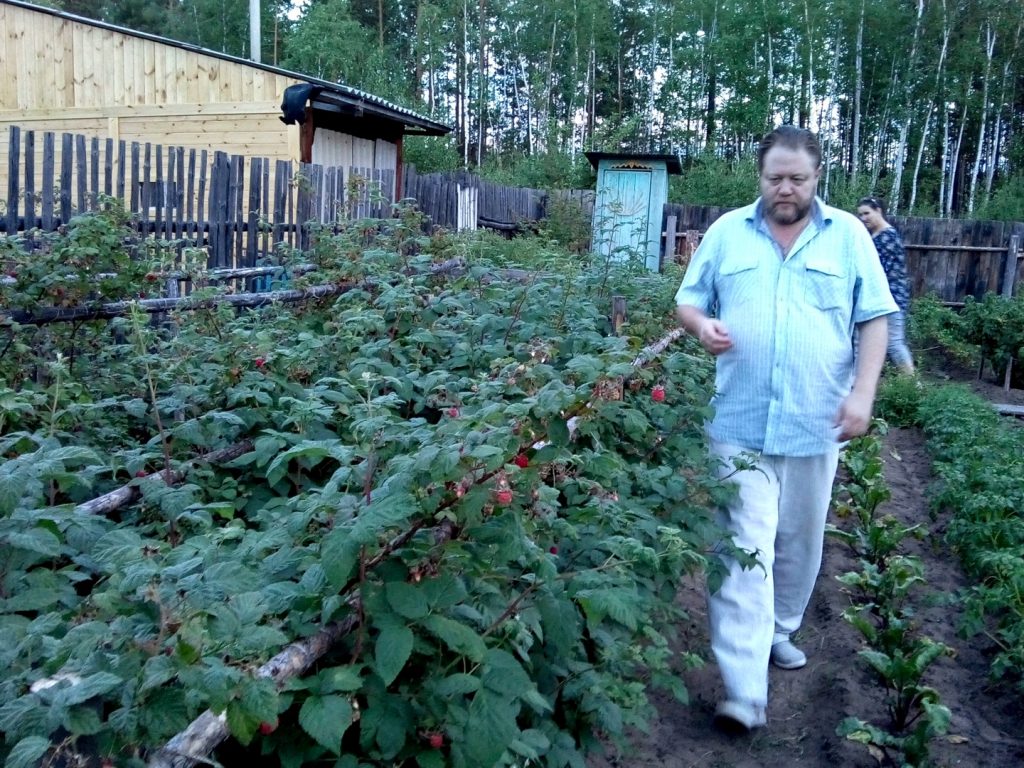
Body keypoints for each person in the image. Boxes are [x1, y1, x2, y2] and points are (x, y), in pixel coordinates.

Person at [675, 125, 897, 733]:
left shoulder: (848, 237)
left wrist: (864, 394)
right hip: (737, 426)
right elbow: (688, 300)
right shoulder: (727, 233)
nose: (785, 189)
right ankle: (746, 694)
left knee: (798, 544)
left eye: (797, 178)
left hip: (815, 423)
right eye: (775, 177)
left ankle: (781, 629)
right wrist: (701, 327)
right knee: (744, 552)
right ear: (760, 177)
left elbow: (875, 319)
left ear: (817, 176)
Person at [856, 196, 915, 374]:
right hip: (876, 298)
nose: (863, 218)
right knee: (859, 341)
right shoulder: (874, 235)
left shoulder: (888, 236)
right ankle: (856, 383)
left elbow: (878, 271)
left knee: (894, 343)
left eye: (867, 213)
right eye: (860, 215)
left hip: (892, 299)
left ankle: (913, 386)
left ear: (878, 211)